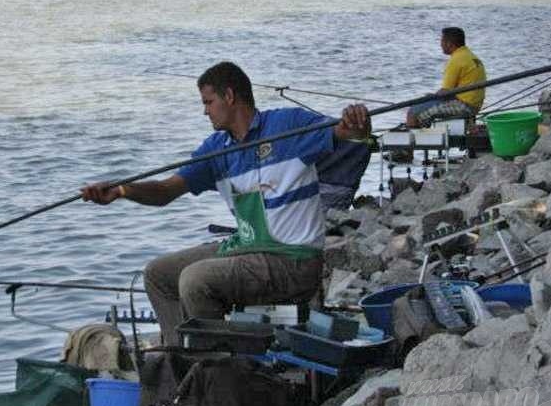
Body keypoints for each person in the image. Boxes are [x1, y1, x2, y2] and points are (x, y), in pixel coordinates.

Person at [80, 61, 371, 346]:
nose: (204, 111)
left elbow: (347, 134)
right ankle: (181, 356)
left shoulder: (288, 126)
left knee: (196, 280)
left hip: (293, 260)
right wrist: (121, 190)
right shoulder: (216, 150)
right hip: (248, 248)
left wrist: (357, 123)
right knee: (158, 274)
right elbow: (165, 190)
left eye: (208, 102)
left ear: (229, 97)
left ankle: (217, 367)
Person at [405, 27, 486, 128]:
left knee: (413, 113)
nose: (440, 44)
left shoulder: (456, 60)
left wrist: (431, 97)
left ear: (449, 43)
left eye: (442, 41)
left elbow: (445, 92)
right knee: (424, 104)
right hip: (474, 104)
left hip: (464, 106)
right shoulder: (470, 56)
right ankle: (429, 137)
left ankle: (416, 142)